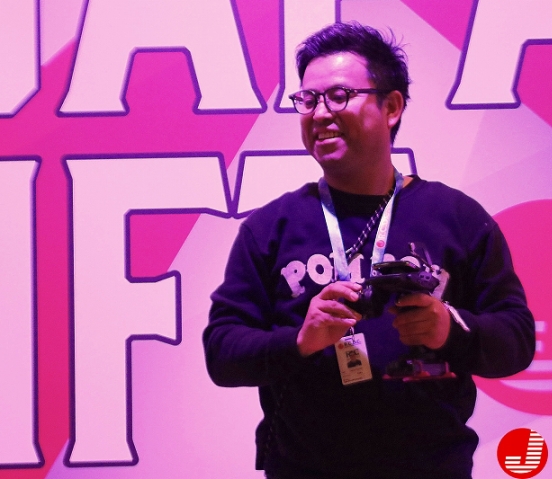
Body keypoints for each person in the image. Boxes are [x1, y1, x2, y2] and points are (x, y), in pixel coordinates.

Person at [203, 22, 535, 479]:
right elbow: (222, 352)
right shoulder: (271, 227)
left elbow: (517, 341)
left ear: (391, 106)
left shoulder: (456, 217)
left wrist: (449, 327)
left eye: (339, 96)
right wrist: (301, 340)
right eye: (308, 100)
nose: (320, 113)